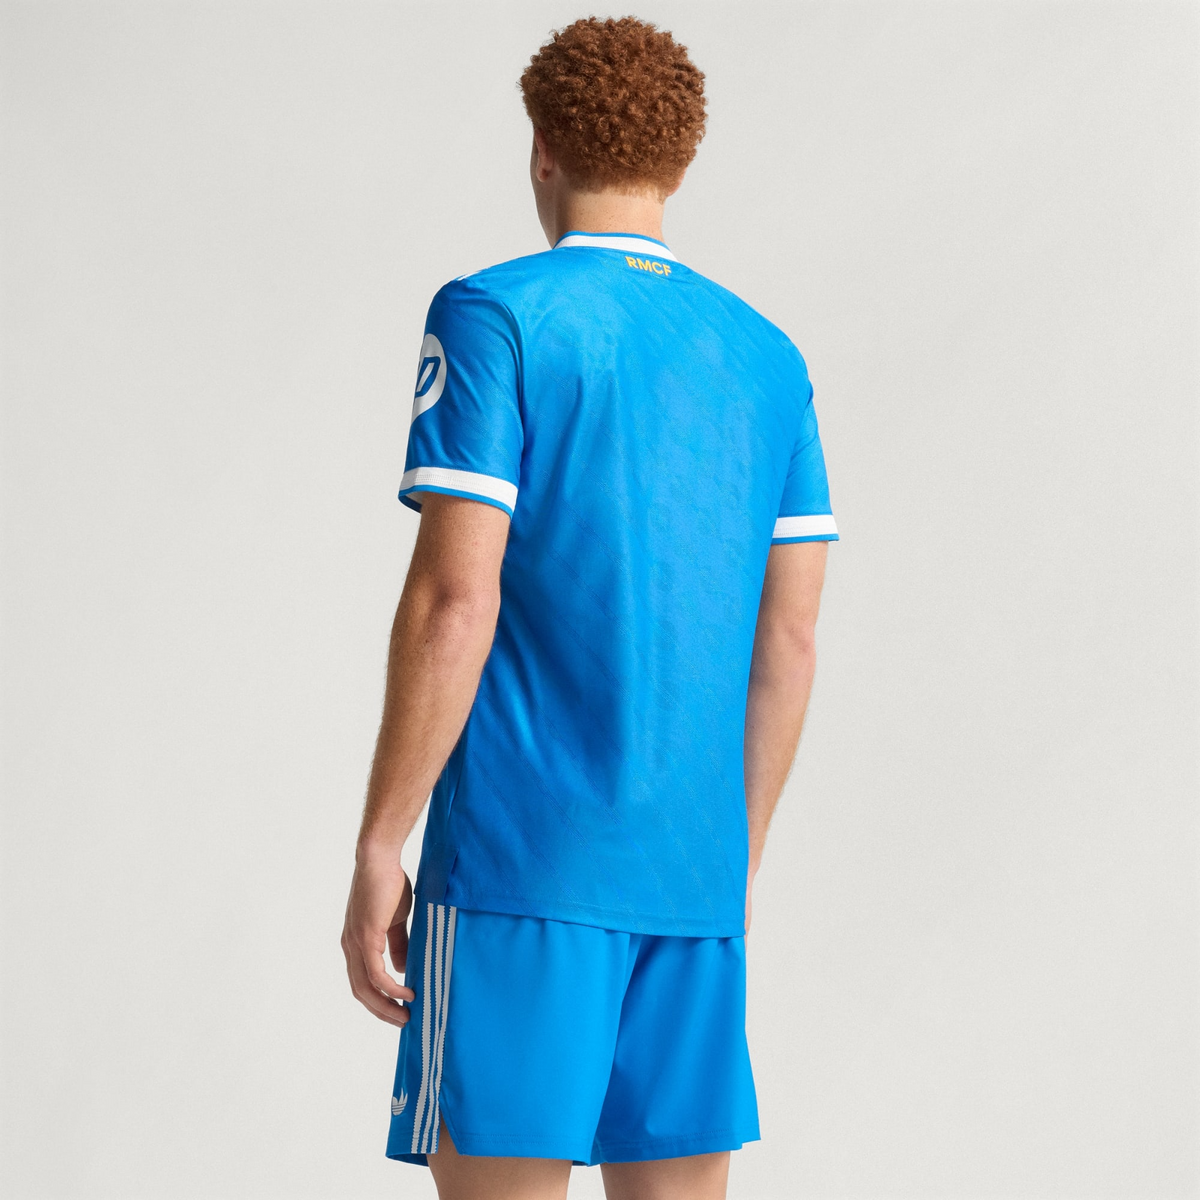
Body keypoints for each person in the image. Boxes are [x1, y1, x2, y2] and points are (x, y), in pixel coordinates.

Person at [341, 15, 838, 1200]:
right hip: (694, 882)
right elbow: (789, 638)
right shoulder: (770, 357)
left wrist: (379, 843)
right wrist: (729, 864)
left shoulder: (497, 315)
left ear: (543, 149)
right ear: (680, 164)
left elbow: (455, 599)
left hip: (523, 866)